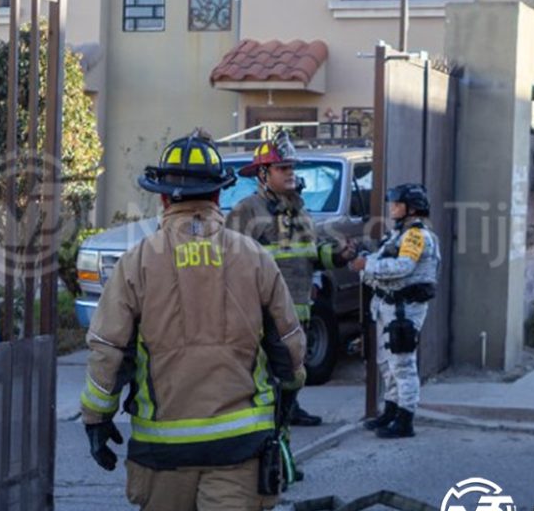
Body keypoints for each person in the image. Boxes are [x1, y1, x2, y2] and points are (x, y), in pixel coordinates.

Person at [81, 132, 307, 511]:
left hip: (162, 453)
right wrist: (286, 400)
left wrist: (96, 418)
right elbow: (288, 346)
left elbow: (108, 351)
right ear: (218, 195)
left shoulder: (136, 263)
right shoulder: (254, 258)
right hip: (241, 448)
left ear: (164, 197)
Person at [225, 130, 356, 427]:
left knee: (295, 365)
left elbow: (307, 253)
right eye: (283, 168)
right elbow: (229, 258)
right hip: (265, 307)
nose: (290, 173)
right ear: (263, 173)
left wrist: (338, 256)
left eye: (292, 168)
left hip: (299, 305)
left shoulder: (298, 208)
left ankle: (290, 409)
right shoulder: (247, 210)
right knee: (267, 366)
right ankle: (266, 416)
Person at [348, 183, 440, 438]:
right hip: (388, 307)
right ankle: (391, 410)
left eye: (397, 204)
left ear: (412, 208)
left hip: (405, 309)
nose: (392, 208)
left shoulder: (416, 236)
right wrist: (365, 262)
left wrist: (367, 265)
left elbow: (403, 267)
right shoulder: (399, 234)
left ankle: (405, 418)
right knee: (387, 363)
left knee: (402, 364)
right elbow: (380, 260)